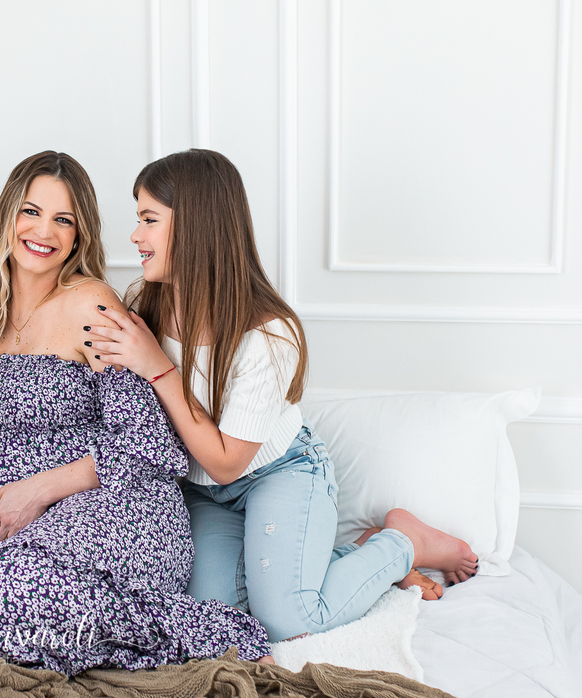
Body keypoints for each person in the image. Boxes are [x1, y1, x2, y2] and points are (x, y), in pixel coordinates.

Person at [86, 148, 479, 643]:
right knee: (220, 619)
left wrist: (157, 366)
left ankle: (405, 543)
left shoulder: (269, 335)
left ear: (196, 227)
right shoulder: (145, 306)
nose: (135, 236)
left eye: (149, 220)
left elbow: (228, 461)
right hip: (202, 492)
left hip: (278, 473)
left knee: (288, 619)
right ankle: (362, 548)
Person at [0, 151, 271, 676]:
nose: (44, 232)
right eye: (31, 212)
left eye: (64, 219)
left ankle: (198, 629)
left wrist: (40, 488)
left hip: (116, 510)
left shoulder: (91, 306)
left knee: (2, 590)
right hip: (28, 535)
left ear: (79, 235)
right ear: (8, 216)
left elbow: (152, 440)